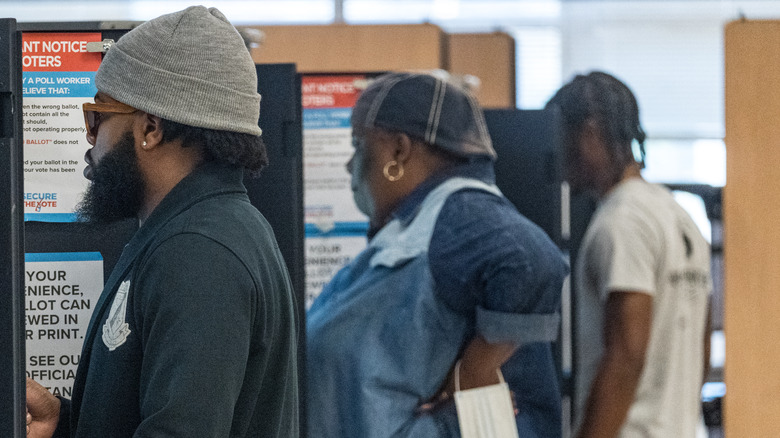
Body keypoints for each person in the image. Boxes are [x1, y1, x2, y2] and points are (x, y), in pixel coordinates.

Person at [25, 6, 299, 438]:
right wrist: (65, 425)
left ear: (150, 128)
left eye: (97, 119)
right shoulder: (199, 230)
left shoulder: (199, 251)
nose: (89, 140)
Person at [306, 71, 569, 437]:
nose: (351, 165)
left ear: (398, 150)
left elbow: (532, 258)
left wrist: (473, 373)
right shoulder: (418, 224)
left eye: (359, 144)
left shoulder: (459, 213)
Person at [546, 71, 712, 437]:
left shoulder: (621, 222)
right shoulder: (679, 215)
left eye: (561, 139)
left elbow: (626, 355)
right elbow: (699, 345)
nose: (557, 156)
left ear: (588, 133)